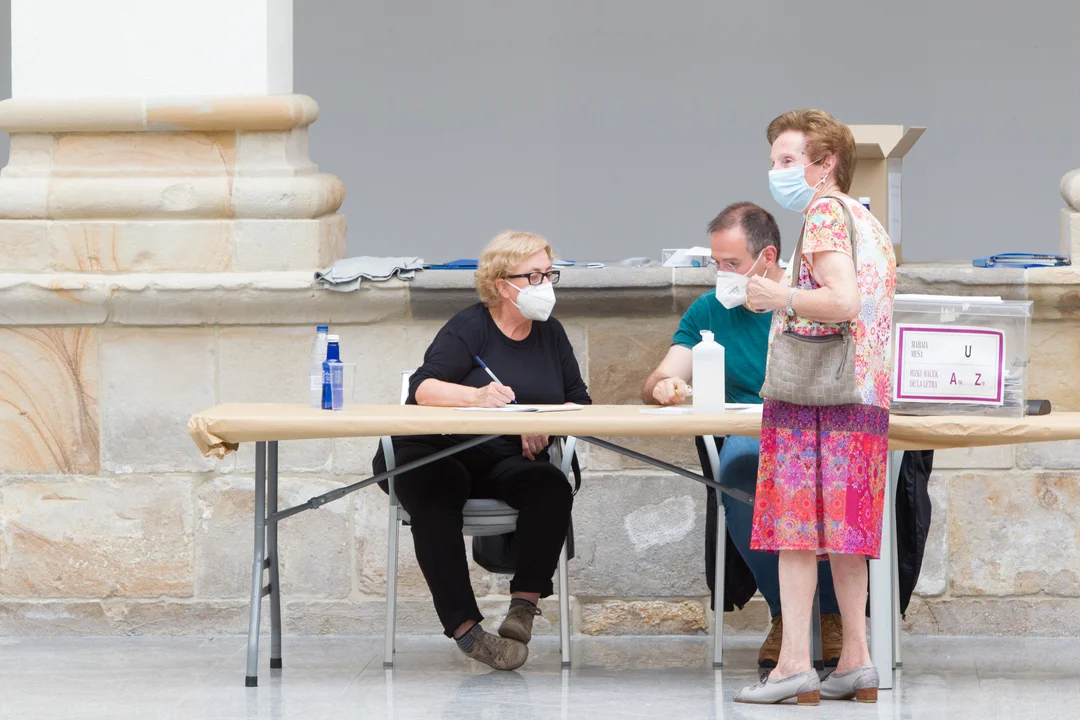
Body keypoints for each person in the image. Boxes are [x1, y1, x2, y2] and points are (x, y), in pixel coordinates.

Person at [734, 109, 897, 706]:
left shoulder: (824, 213)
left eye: (787, 160)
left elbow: (842, 301)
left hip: (813, 393)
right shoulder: (867, 220)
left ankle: (794, 666)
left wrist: (777, 294)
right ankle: (856, 661)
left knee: (796, 529)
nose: (776, 171)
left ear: (825, 164)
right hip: (863, 392)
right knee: (850, 534)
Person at [373, 231, 591, 672]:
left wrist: (542, 424)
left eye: (549, 274)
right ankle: (467, 631)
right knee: (437, 492)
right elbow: (422, 389)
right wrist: (476, 397)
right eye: (533, 276)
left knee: (551, 485)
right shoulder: (470, 326)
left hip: (502, 457)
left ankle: (523, 607)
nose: (545, 285)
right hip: (438, 449)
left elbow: (579, 403)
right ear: (500, 284)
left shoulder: (551, 334)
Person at [642, 201, 844, 669]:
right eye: (717, 262)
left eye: (732, 263)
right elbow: (661, 375)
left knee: (833, 485)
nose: (723, 274)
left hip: (814, 433)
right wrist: (663, 386)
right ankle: (784, 615)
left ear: (767, 257)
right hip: (750, 436)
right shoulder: (710, 310)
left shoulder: (810, 302)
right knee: (736, 472)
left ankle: (831, 616)